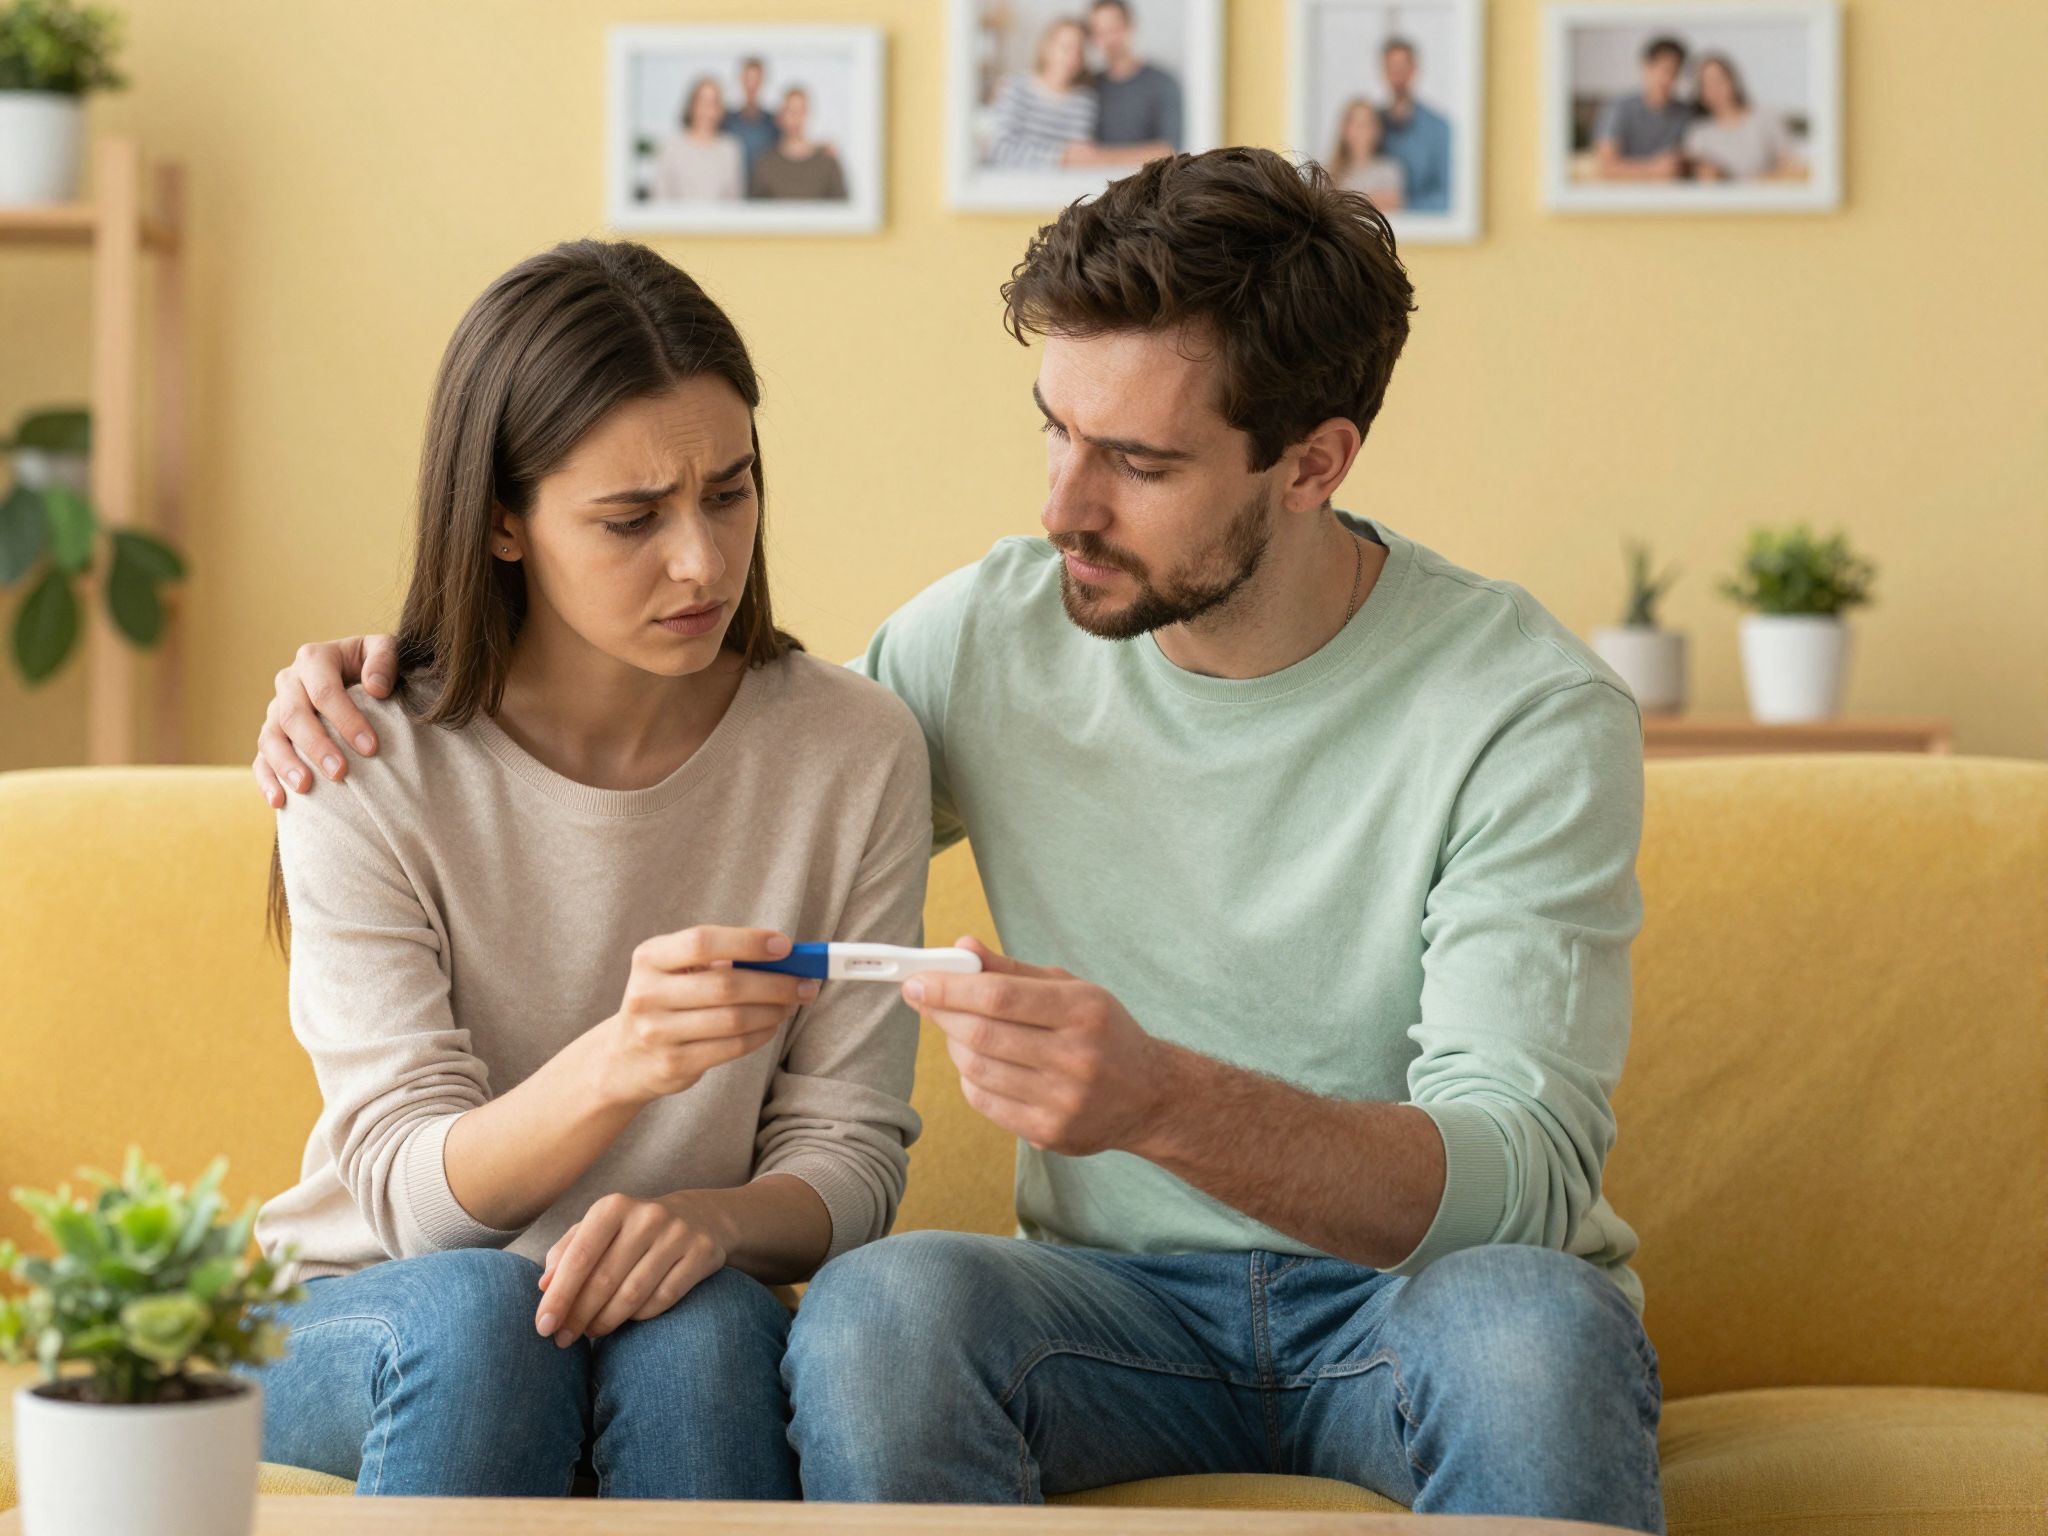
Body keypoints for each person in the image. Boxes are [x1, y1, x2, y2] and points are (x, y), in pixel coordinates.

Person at [252, 147, 1664, 1532]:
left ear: (1312, 463)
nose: (1062, 508)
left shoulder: (1522, 712)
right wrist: (391, 677)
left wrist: (1159, 1100)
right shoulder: (976, 646)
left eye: (1137, 462)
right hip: (1109, 1316)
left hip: (1423, 1299)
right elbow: (712, 766)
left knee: (1537, 1329)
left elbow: (1523, 1175)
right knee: (883, 1318)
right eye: (1056, 429)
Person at [242, 240, 928, 1499]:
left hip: (665, 1299)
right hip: (364, 1307)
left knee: (710, 1330)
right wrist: (623, 1062)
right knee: (482, 1320)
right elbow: (406, 1195)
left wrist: (715, 1220)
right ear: (502, 519)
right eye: (630, 519)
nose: (702, 563)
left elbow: (850, 1155)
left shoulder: (851, 748)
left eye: (730, 492)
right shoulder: (358, 754)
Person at [1067, 0, 1182, 169]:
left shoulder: (1163, 83)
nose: (1108, 40)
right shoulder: (1088, 87)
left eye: (1113, 29)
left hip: (1149, 188)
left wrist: (1098, 156)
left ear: (1130, 27)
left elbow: (1168, 150)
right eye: (1099, 32)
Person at [984, 16, 1098, 170]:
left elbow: (1080, 159)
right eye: (1066, 48)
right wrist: (1061, 157)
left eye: (1079, 51)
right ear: (1046, 48)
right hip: (1013, 187)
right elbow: (998, 150)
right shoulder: (1015, 88)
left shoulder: (1085, 102)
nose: (1072, 57)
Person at [1683, 53, 1798, 181]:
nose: (1714, 88)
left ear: (1733, 81)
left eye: (1718, 80)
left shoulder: (1766, 118)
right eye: (1706, 84)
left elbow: (1791, 166)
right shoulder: (1698, 134)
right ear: (1700, 93)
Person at [1593, 34, 1694, 181]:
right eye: (1664, 70)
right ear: (1646, 67)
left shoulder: (1685, 113)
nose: (1668, 79)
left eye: (1675, 72)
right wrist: (1654, 169)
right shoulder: (1619, 107)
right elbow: (1606, 166)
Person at [1375, 36, 1451, 213]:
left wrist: (1404, 206)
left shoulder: (1439, 129)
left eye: (1402, 68)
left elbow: (1448, 196)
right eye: (1391, 68)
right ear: (1383, 72)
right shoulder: (1370, 125)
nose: (1397, 75)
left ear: (1414, 70)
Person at [748, 87, 848, 201]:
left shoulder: (827, 161)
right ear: (780, 117)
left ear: (808, 114)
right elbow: (754, 211)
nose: (796, 118)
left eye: (801, 111)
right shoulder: (765, 163)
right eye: (790, 111)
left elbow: (843, 210)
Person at [654, 76, 743, 202]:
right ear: (692, 105)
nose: (708, 109)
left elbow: (735, 200)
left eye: (714, 102)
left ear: (721, 109)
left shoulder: (730, 149)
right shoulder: (671, 147)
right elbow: (660, 197)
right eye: (703, 101)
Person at [1328, 97, 1404, 209]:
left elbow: (1393, 203)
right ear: (1345, 130)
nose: (1362, 129)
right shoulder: (1328, 171)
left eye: (1367, 123)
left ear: (1377, 130)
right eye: (1356, 123)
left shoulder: (1389, 170)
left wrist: (1344, 201)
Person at [723, 57, 781, 187]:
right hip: (732, 190)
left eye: (756, 80)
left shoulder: (774, 122)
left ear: (763, 81)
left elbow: (792, 145)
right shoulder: (726, 120)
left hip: (764, 192)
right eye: (748, 79)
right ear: (741, 80)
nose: (751, 86)